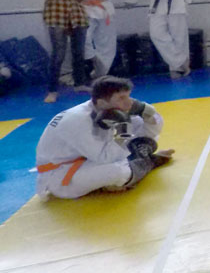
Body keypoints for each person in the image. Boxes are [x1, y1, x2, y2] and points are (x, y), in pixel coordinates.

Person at [35, 75, 173, 200]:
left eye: (128, 96)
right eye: (121, 98)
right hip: (62, 175)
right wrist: (123, 132)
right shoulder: (78, 121)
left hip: (88, 159)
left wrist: (147, 112)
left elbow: (149, 132)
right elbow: (105, 158)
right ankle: (149, 162)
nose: (129, 103)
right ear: (101, 103)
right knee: (119, 172)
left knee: (143, 139)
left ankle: (130, 167)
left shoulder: (108, 108)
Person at [35, 0, 90, 103]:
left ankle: (80, 84)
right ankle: (52, 90)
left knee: (79, 52)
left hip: (77, 16)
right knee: (58, 55)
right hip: (56, 17)